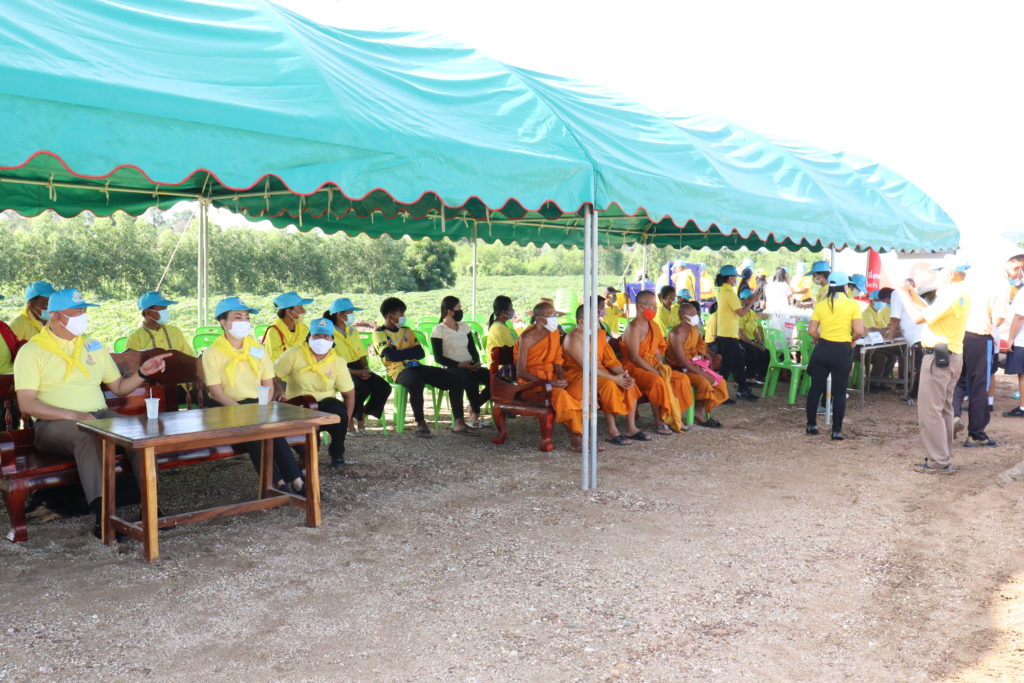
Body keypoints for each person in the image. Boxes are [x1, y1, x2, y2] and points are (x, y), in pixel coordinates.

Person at [13, 287, 170, 537]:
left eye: (84, 310)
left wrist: (143, 373)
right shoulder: (32, 351)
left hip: (97, 415)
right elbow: (27, 404)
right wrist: (74, 415)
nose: (83, 316)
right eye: (77, 311)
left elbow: (119, 388)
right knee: (87, 435)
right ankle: (104, 519)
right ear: (57, 316)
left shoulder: (92, 345)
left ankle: (151, 508)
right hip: (52, 424)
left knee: (138, 433)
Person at [202, 296, 307, 495]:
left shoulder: (257, 349)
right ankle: (279, 482)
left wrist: (263, 406)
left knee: (269, 427)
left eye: (247, 317)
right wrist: (244, 412)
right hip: (226, 407)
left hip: (257, 405)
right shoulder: (213, 353)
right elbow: (216, 392)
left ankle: (293, 480)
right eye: (238, 317)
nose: (244, 321)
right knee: (256, 428)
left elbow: (268, 382)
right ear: (223, 322)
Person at [898, 256, 971, 474]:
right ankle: (942, 457)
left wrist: (903, 296)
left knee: (930, 412)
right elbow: (931, 313)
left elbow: (918, 318)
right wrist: (914, 296)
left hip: (938, 358)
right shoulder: (961, 292)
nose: (937, 275)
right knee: (945, 410)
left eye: (941, 271)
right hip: (951, 355)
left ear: (951, 273)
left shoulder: (950, 294)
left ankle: (938, 461)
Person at [372, 297, 475, 438]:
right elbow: (390, 356)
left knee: (455, 380)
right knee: (416, 380)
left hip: (417, 366)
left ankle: (459, 423)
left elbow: (420, 353)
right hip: (398, 371)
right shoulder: (379, 333)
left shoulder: (406, 330)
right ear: (391, 315)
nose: (403, 317)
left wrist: (398, 352)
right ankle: (420, 423)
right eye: (401, 313)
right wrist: (406, 352)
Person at [274, 318, 355, 467]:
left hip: (325, 405)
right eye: (316, 335)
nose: (321, 340)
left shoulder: (338, 362)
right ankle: (304, 454)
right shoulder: (293, 354)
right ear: (309, 337)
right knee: (311, 454)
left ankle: (337, 451)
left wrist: (345, 421)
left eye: (326, 336)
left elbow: (349, 395)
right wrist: (280, 390)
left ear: (332, 340)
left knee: (339, 411)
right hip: (299, 405)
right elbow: (272, 378)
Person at [563, 304, 643, 445]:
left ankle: (631, 427)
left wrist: (622, 374)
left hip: (601, 372)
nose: (597, 322)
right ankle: (612, 431)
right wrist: (614, 378)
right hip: (580, 375)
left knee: (629, 382)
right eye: (593, 319)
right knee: (609, 384)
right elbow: (587, 367)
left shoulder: (598, 335)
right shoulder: (573, 338)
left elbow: (610, 360)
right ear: (581, 322)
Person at [951, 267, 1009, 447]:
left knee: (958, 379)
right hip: (980, 335)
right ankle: (976, 434)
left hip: (958, 333)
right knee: (979, 384)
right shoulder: (1002, 284)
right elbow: (998, 319)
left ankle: (953, 417)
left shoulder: (968, 280)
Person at [514, 301, 584, 449]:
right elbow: (521, 371)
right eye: (550, 315)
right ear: (539, 319)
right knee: (561, 395)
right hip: (531, 384)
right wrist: (548, 383)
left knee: (578, 390)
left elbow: (557, 360)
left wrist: (561, 377)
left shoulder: (554, 333)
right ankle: (576, 438)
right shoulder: (526, 338)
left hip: (552, 379)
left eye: (555, 314)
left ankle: (581, 432)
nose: (554, 318)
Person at [621, 291, 692, 434]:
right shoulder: (633, 328)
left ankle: (674, 417)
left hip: (652, 365)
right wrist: (654, 371)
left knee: (681, 379)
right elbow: (634, 357)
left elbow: (656, 351)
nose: (655, 309)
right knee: (657, 381)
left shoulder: (653, 325)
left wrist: (660, 367)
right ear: (641, 307)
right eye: (653, 306)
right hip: (634, 369)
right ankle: (660, 421)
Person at [804, 272, 864, 440]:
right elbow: (859, 331)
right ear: (845, 286)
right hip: (842, 350)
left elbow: (811, 331)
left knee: (815, 388)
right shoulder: (853, 305)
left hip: (823, 348)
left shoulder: (820, 305)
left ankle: (811, 425)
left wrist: (820, 338)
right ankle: (836, 431)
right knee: (839, 392)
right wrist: (851, 341)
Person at [324, 297, 390, 434]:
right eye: (350, 312)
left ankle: (362, 414)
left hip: (358, 366)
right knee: (360, 389)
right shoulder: (328, 333)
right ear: (340, 314)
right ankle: (349, 421)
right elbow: (331, 361)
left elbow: (361, 354)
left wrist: (365, 369)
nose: (352, 315)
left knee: (384, 387)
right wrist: (356, 373)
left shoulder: (352, 331)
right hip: (339, 369)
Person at [431, 296, 491, 429]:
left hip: (469, 365)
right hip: (453, 367)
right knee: (469, 377)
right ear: (449, 311)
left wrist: (476, 363)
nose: (461, 311)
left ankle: (474, 407)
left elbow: (472, 350)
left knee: (494, 380)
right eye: (458, 308)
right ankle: (475, 414)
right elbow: (438, 358)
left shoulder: (465, 327)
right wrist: (460, 365)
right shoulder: (439, 330)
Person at [665, 302, 728, 427]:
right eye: (693, 314)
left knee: (720, 382)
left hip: (694, 365)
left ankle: (700, 409)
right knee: (703, 382)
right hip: (679, 369)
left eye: (697, 313)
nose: (697, 316)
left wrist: (704, 359)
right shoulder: (676, 334)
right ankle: (698, 414)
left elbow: (701, 347)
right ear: (684, 317)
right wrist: (702, 373)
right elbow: (682, 360)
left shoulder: (693, 330)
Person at [714, 265, 762, 400]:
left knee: (739, 363)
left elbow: (737, 304)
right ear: (730, 278)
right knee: (726, 367)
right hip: (728, 334)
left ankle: (743, 389)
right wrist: (752, 301)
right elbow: (741, 312)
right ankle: (718, 394)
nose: (736, 279)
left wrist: (748, 300)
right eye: (735, 277)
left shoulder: (724, 290)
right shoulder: (729, 293)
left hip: (726, 333)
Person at [889, 279, 928, 405]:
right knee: (921, 367)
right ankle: (913, 394)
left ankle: (916, 397)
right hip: (922, 336)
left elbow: (895, 318)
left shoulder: (897, 293)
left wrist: (889, 337)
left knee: (922, 368)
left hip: (919, 337)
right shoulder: (917, 298)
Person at [125, 291, 195, 356]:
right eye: (162, 309)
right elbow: (133, 363)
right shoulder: (135, 338)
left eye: (166, 308)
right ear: (148, 312)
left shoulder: (175, 332)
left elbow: (190, 357)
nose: (166, 312)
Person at [262, 291, 313, 362]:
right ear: (289, 312)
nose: (304, 311)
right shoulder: (273, 332)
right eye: (300, 308)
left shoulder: (303, 328)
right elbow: (275, 360)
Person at [863, 288, 898, 386]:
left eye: (882, 301)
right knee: (881, 358)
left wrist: (887, 329)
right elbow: (871, 330)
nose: (881, 303)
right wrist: (886, 330)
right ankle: (872, 385)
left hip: (876, 346)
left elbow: (883, 328)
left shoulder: (878, 312)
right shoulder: (867, 313)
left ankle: (882, 383)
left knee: (892, 357)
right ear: (871, 301)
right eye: (878, 300)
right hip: (864, 347)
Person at [737, 290, 769, 382]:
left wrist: (760, 342)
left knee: (766, 352)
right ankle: (749, 378)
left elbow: (755, 331)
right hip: (741, 341)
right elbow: (741, 334)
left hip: (751, 340)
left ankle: (760, 376)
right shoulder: (740, 313)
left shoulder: (752, 313)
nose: (751, 301)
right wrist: (755, 344)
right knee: (753, 352)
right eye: (750, 299)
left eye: (752, 299)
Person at [485, 295, 519, 360]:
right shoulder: (499, 329)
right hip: (501, 365)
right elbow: (512, 351)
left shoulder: (500, 326)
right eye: (511, 309)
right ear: (503, 312)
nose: (513, 311)